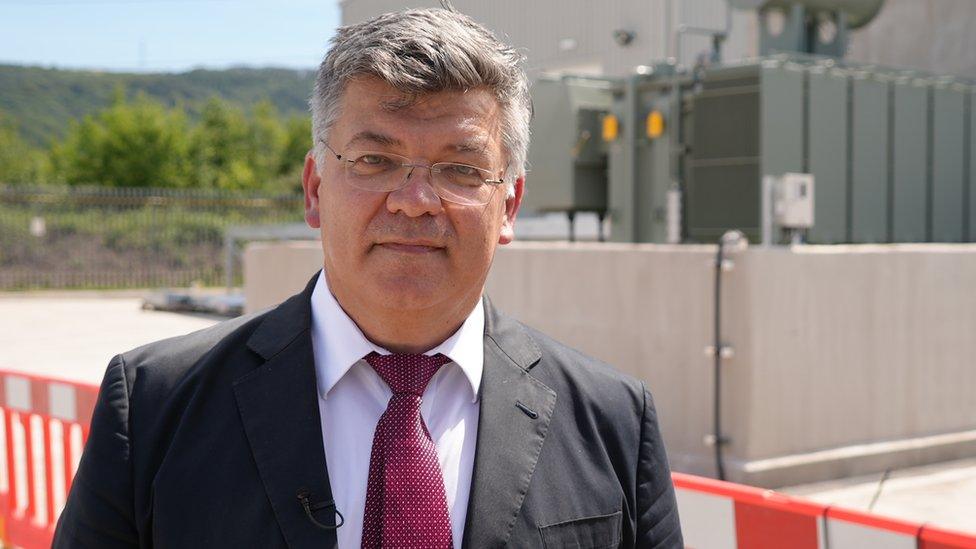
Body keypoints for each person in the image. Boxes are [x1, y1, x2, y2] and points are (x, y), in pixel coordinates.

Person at [53, 7, 682, 548]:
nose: (414, 200)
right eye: (374, 160)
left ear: (509, 206)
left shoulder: (613, 421)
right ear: (315, 189)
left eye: (460, 170)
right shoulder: (155, 407)